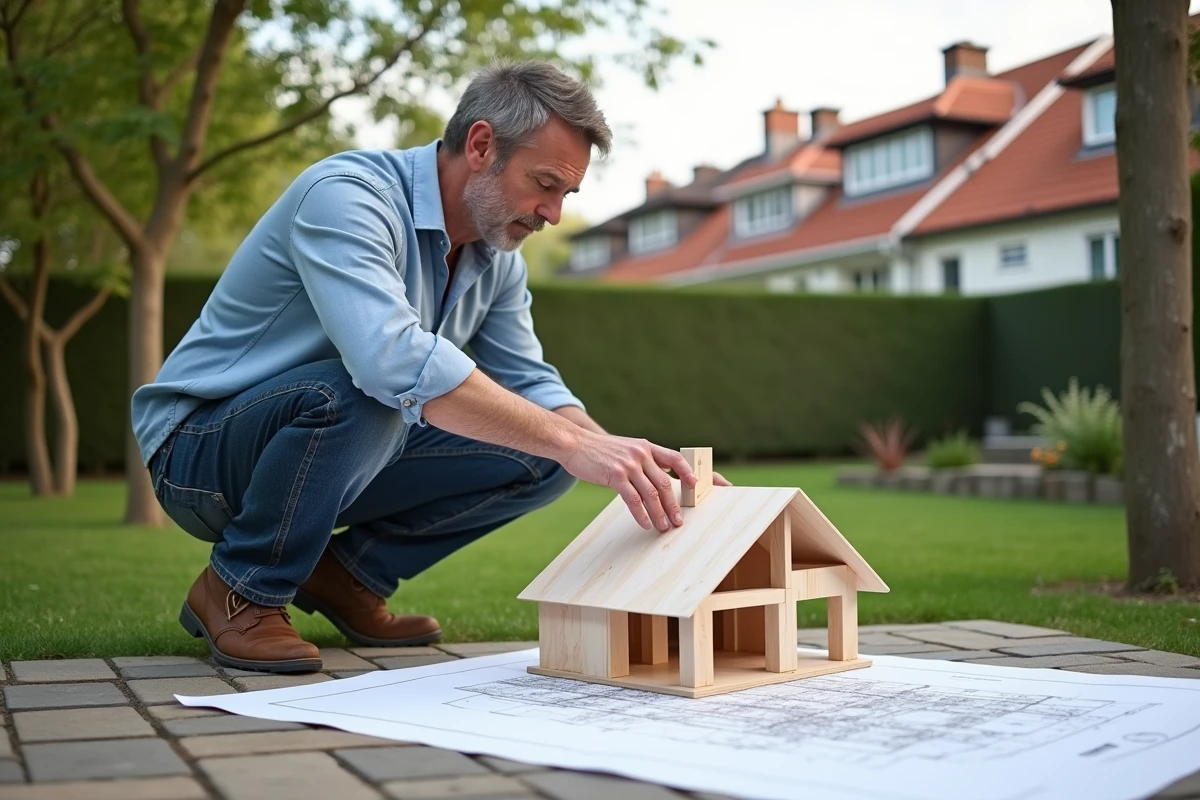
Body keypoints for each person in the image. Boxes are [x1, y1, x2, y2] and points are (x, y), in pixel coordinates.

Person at [131, 59, 729, 674]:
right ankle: (240, 588)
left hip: (333, 445)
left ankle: (347, 577)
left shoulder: (497, 260)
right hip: (199, 456)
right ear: (480, 145)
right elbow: (387, 359)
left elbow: (530, 381)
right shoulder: (347, 196)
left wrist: (621, 458)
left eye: (565, 195)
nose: (553, 213)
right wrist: (570, 441)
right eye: (544, 183)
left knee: (546, 458)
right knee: (375, 390)